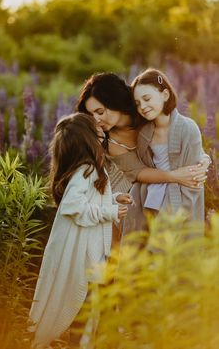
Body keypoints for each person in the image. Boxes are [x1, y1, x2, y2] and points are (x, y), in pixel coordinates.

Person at [29, 113, 131, 348]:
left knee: (89, 311)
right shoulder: (86, 170)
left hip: (94, 256)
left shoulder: (90, 169)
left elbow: (93, 199)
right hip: (88, 259)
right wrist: (110, 213)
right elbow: (74, 206)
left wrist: (114, 199)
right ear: (88, 139)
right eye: (95, 129)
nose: (101, 130)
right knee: (82, 312)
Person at [76, 73, 209, 231]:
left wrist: (203, 160)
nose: (96, 120)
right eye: (91, 115)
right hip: (128, 187)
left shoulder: (144, 109)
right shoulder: (110, 141)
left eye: (100, 111)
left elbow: (180, 136)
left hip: (162, 183)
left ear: (114, 101)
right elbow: (139, 172)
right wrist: (175, 176)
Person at [132, 68, 206, 221]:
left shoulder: (188, 128)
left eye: (147, 99)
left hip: (180, 202)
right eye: (137, 103)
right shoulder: (143, 133)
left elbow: (193, 179)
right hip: (149, 199)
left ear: (165, 95)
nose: (142, 107)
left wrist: (178, 216)